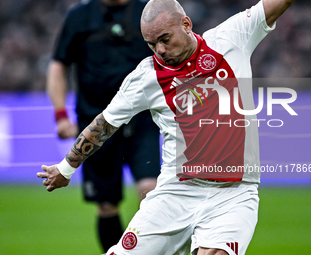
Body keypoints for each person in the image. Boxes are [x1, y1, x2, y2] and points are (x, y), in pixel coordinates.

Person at [38, 0, 296, 254]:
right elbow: (105, 123)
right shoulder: (146, 77)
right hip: (176, 193)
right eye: (151, 44)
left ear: (186, 24)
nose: (159, 50)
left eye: (165, 39)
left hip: (234, 194)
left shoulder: (231, 38)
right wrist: (66, 167)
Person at [45, 0, 160, 252]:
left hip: (143, 120)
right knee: (106, 204)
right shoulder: (79, 17)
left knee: (150, 193)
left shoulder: (148, 12)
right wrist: (61, 114)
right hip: (96, 123)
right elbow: (58, 64)